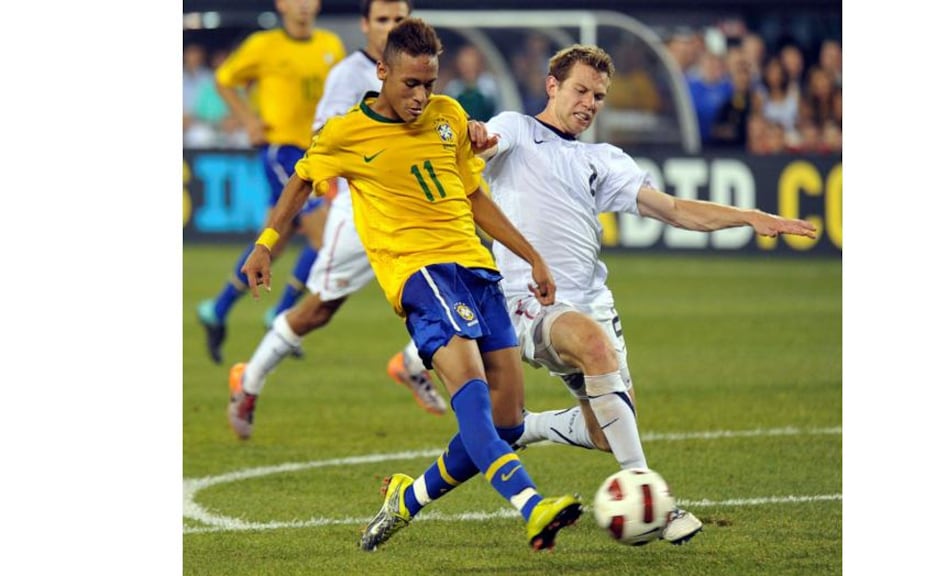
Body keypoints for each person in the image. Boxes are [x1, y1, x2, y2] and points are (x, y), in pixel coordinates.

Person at [417, 44, 816, 545]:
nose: (589, 103)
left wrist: (749, 216)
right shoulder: (517, 130)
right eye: (580, 90)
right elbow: (481, 144)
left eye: (599, 96)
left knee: (609, 431)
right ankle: (653, 497)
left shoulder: (602, 159)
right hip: (528, 301)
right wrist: (475, 135)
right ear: (552, 85)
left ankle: (527, 427)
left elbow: (672, 209)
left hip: (592, 302)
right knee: (594, 348)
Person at [239, 18, 583, 551]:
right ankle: (533, 506)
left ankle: (407, 498)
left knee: (508, 421)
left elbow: (473, 197)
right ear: (382, 72)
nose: (422, 96)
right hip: (421, 275)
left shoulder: (449, 117)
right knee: (470, 396)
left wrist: (531, 256)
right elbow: (304, 177)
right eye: (410, 84)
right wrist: (265, 243)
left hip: (477, 271)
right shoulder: (346, 132)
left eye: (430, 83)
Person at [225, 0, 448, 442]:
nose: (391, 27)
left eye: (399, 19)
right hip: (361, 209)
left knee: (458, 283)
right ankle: (249, 380)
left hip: (411, 210)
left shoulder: (422, 73)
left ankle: (410, 361)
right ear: (365, 25)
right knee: (320, 309)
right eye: (382, 20)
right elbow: (324, 139)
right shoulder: (349, 74)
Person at [195, 0, 345, 364]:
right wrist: (248, 119)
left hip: (317, 154)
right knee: (324, 237)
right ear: (281, 5)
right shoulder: (263, 46)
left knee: (273, 241)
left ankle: (217, 308)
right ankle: (280, 313)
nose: (304, 7)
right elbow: (224, 79)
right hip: (281, 151)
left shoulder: (331, 46)